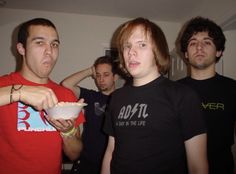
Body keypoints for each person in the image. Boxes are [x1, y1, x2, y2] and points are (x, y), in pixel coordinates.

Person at [100, 17, 208, 174]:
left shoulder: (183, 95)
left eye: (142, 44)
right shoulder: (116, 97)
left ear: (157, 50)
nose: (131, 52)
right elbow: (111, 150)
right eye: (127, 46)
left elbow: (197, 166)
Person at [0, 18, 85, 174]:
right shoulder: (4, 86)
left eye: (54, 44)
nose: (49, 51)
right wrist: (21, 92)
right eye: (40, 43)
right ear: (21, 48)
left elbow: (74, 154)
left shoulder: (65, 94)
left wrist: (68, 132)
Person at [177, 16, 236, 174]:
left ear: (219, 51)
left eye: (207, 42)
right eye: (193, 42)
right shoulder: (172, 91)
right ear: (186, 54)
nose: (199, 47)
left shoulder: (233, 89)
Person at [61, 56, 118, 174]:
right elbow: (66, 84)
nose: (101, 79)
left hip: (111, 164)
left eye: (106, 74)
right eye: (98, 75)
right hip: (85, 161)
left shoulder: (123, 100)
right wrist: (89, 71)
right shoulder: (91, 96)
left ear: (115, 77)